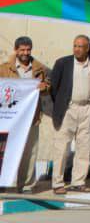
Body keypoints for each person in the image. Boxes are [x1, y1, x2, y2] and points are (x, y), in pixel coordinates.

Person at [49, 35, 90, 195]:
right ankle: (57, 183)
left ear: (87, 48)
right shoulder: (63, 63)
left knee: (84, 146)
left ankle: (78, 182)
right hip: (68, 109)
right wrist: (61, 105)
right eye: (75, 45)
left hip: (87, 109)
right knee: (62, 147)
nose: (77, 49)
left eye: (80, 46)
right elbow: (53, 88)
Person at [0, 37, 49, 193]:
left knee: (29, 152)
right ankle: (3, 184)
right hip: (9, 119)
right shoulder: (4, 69)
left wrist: (44, 87)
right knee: (5, 152)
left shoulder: (39, 69)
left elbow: (48, 86)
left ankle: (26, 185)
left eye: (28, 50)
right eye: (22, 49)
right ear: (16, 50)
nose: (25, 53)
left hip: (31, 118)